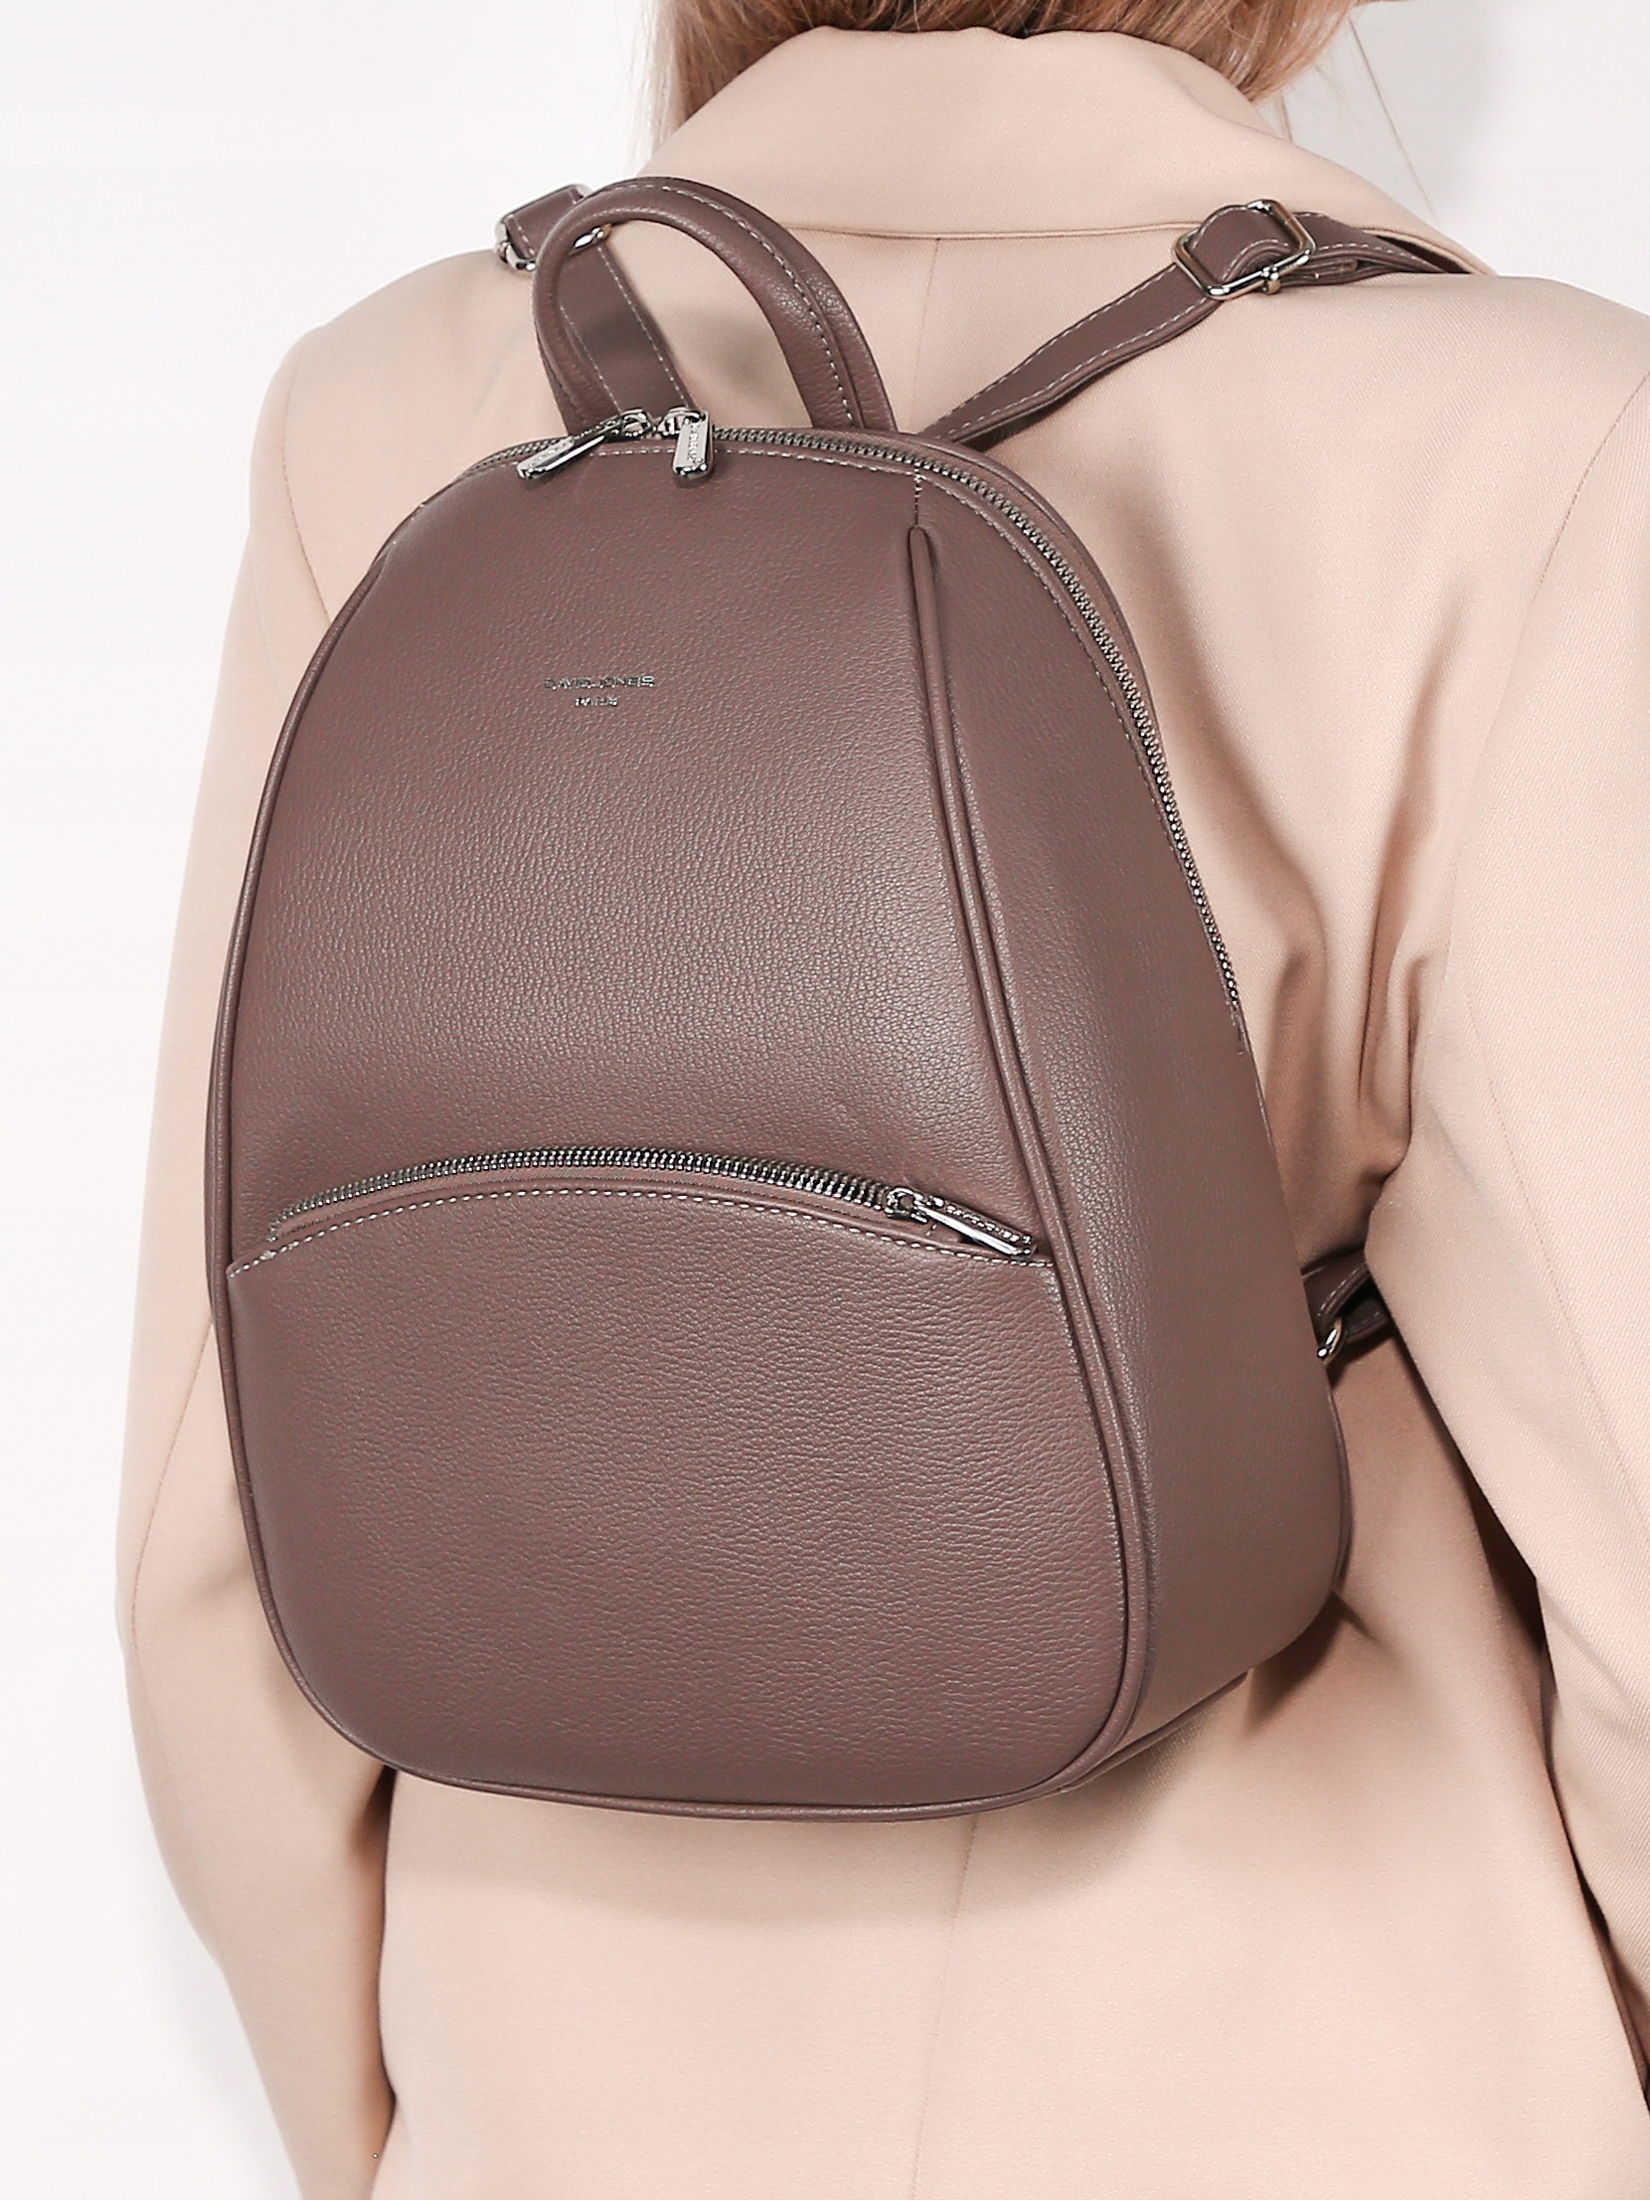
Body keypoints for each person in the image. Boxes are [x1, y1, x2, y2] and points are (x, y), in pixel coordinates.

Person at [119, 3, 1650, 2193]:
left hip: (564, 2081)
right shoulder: (1538, 443)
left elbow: (215, 1509)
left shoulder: (390, 405)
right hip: (1325, 2071)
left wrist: (390, 2124)